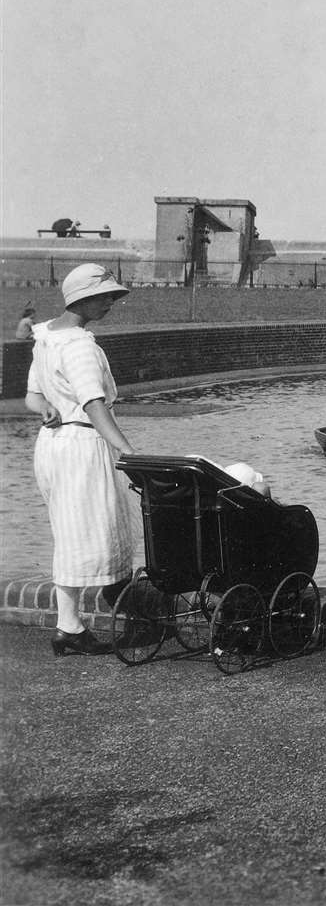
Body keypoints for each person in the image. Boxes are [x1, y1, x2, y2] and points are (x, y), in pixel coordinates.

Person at [24, 263, 142, 656]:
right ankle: (73, 624)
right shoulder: (78, 345)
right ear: (84, 299)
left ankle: (70, 623)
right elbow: (93, 403)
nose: (111, 303)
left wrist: (44, 407)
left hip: (51, 446)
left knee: (70, 530)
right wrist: (128, 451)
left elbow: (32, 395)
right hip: (81, 445)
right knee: (95, 525)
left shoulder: (46, 337)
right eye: (106, 296)